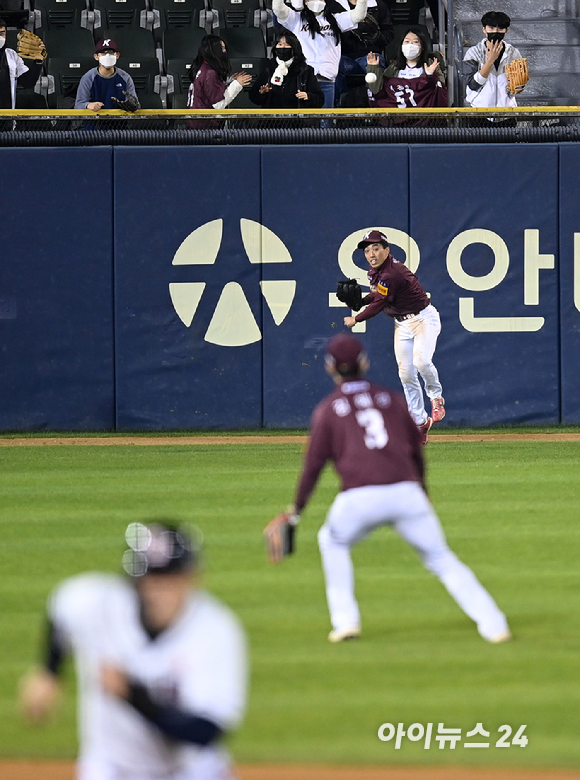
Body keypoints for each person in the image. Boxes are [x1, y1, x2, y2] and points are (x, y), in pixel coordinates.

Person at [288, 332, 511, 644]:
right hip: (406, 493)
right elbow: (415, 451)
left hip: (358, 497)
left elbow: (313, 466)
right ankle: (494, 625)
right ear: (364, 363)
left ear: (330, 367)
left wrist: (296, 511)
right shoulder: (391, 400)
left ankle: (346, 623)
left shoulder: (327, 410)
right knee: (441, 558)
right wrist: (422, 489)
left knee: (332, 541)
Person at [19, 521, 248, 780]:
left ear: (191, 578)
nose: (156, 591)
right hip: (112, 768)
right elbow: (62, 608)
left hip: (188, 768)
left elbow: (205, 731)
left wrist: (133, 694)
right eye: (149, 579)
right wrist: (49, 672)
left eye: (168, 580)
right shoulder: (99, 604)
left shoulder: (215, 631)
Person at [343, 229, 444, 443]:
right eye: (367, 250)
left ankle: (436, 397)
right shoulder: (378, 271)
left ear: (387, 250)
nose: (371, 253)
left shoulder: (392, 273)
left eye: (376, 248)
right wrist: (361, 301)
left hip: (424, 319)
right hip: (403, 324)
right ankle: (420, 422)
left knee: (421, 361)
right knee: (406, 374)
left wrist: (357, 318)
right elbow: (378, 293)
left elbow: (381, 302)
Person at [271, 0, 369, 109]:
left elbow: (359, 15)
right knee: (306, 119)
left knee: (326, 121)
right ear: (305, 2)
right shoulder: (297, 19)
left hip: (327, 78)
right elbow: (278, 10)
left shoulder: (335, 19)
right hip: (305, 78)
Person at [365, 26, 447, 110]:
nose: (410, 45)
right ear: (401, 46)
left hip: (423, 117)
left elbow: (440, 93)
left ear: (422, 47)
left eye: (415, 42)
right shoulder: (394, 68)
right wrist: (373, 68)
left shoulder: (432, 65)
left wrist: (430, 76)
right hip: (396, 117)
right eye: (407, 41)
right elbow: (378, 91)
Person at [463, 11, 524, 116]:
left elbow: (517, 88)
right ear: (484, 29)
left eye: (500, 28)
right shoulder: (473, 53)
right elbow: (473, 84)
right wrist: (491, 60)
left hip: (507, 115)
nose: (495, 32)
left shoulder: (514, 53)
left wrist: (515, 82)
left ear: (506, 30)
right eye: (491, 28)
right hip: (478, 114)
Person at [334, 0, 393, 106]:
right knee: (334, 66)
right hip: (344, 56)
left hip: (370, 54)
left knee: (376, 64)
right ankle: (340, 108)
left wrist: (375, 36)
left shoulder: (378, 5)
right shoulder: (335, 5)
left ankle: (373, 106)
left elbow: (389, 33)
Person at [249, 30, 324, 109]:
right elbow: (253, 97)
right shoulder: (268, 68)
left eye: (287, 45)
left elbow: (320, 100)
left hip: (297, 119)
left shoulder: (305, 70)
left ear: (294, 48)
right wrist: (261, 93)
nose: (283, 47)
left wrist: (308, 96)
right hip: (271, 119)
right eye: (280, 44)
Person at [187, 34, 251, 110]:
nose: (225, 52)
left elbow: (208, 90)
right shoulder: (210, 73)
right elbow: (219, 105)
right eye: (222, 49)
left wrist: (230, 81)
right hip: (205, 121)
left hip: (195, 119)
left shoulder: (202, 68)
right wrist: (237, 84)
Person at [75, 37, 140, 111]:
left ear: (117, 55)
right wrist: (88, 105)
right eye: (103, 53)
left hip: (119, 121)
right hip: (95, 120)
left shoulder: (125, 78)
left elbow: (136, 105)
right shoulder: (88, 78)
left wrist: (131, 106)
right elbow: (78, 105)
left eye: (111, 52)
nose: (108, 56)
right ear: (96, 57)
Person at [0, 19, 45, 109]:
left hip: (7, 117)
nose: (0, 37)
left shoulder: (12, 55)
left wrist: (37, 62)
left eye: (2, 33)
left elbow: (28, 82)